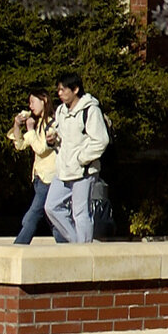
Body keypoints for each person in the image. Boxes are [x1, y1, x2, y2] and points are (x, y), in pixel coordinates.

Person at [44, 73, 110, 245]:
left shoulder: (90, 110)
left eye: (63, 89)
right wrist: (53, 140)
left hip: (83, 171)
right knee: (51, 206)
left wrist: (82, 158)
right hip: (63, 169)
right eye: (58, 90)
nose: (59, 93)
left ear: (75, 89)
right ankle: (77, 243)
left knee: (80, 212)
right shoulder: (61, 111)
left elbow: (101, 140)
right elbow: (62, 137)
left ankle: (84, 250)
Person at [7, 90, 66, 245]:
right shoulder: (38, 124)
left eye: (33, 102)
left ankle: (19, 246)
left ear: (44, 100)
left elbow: (41, 148)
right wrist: (17, 125)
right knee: (51, 217)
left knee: (32, 215)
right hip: (39, 178)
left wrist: (31, 130)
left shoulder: (53, 125)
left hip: (49, 178)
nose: (30, 106)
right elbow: (20, 144)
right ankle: (66, 246)